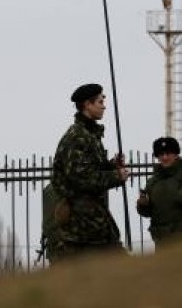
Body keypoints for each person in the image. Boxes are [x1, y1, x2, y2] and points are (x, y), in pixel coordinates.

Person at [49, 84, 129, 262]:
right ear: (87, 104)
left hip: (92, 222)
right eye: (100, 101)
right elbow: (82, 178)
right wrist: (116, 176)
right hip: (82, 226)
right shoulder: (78, 136)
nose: (104, 106)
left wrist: (111, 166)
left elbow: (90, 169)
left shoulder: (89, 135)